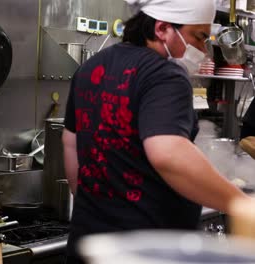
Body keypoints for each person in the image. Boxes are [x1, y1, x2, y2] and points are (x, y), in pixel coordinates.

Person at [62, 0, 252, 263]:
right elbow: (168, 153)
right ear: (163, 28)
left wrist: (98, 209)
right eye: (198, 37)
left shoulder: (90, 68)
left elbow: (70, 144)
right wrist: (241, 204)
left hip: (89, 244)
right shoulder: (165, 75)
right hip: (146, 249)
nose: (203, 51)